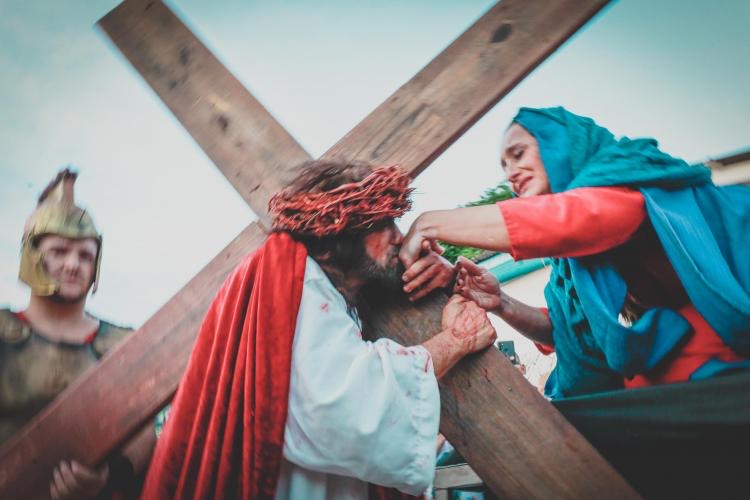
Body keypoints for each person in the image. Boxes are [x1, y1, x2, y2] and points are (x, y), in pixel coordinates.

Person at [142, 160, 497, 499]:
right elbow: (341, 407)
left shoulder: (323, 288)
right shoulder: (297, 283)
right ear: (334, 235)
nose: (398, 238)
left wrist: (443, 277)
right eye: (382, 224)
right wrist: (455, 341)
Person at [400, 106, 750, 399]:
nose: (510, 173)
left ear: (562, 144)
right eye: (504, 166)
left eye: (518, 154)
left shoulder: (624, 182)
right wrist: (501, 302)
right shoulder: (574, 256)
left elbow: (576, 218)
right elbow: (570, 333)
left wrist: (429, 223)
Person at [0, 168, 149, 499]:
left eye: (85, 255)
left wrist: (109, 477)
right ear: (32, 254)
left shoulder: (121, 345)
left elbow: (144, 437)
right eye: (59, 251)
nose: (73, 264)